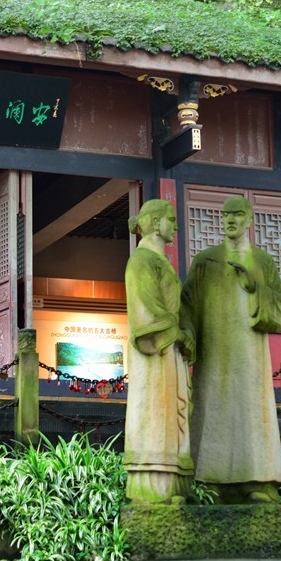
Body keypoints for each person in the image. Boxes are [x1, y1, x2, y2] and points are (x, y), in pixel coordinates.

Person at [181, 195, 281, 503]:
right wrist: (187, 333)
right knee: (213, 409)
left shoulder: (262, 262)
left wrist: (256, 288)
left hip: (251, 355)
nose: (230, 219)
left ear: (249, 220)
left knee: (252, 412)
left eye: (238, 214)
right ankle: (211, 482)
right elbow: (187, 304)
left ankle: (259, 481)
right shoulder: (205, 261)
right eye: (226, 214)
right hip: (213, 351)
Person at [123, 199, 195, 504]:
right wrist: (175, 332)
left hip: (169, 350)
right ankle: (154, 489)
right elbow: (146, 310)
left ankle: (174, 486)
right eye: (171, 219)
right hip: (154, 352)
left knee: (168, 414)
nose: (175, 226)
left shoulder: (160, 261)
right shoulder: (141, 261)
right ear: (154, 222)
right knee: (153, 413)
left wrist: (186, 334)